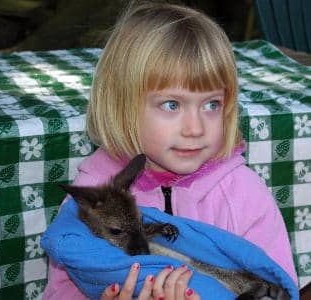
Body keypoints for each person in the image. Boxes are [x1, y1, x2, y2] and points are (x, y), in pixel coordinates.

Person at [42, 1, 298, 299]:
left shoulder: (242, 194)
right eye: (171, 105)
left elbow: (278, 284)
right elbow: (60, 290)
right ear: (121, 106)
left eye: (211, 104)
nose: (195, 128)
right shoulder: (89, 200)